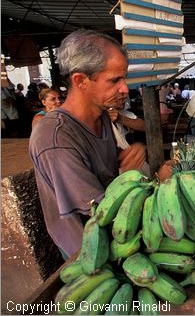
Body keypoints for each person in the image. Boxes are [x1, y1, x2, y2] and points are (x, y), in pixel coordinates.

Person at [29, 29, 148, 258]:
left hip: (120, 237)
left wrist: (125, 163)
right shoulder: (56, 139)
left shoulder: (101, 115)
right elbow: (99, 214)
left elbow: (106, 169)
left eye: (124, 78)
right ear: (81, 80)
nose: (124, 88)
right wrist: (128, 175)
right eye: (114, 80)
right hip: (90, 253)